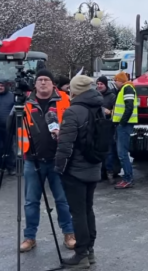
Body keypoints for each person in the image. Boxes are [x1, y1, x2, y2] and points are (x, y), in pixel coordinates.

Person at [16, 69, 76, 252]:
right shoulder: (24, 102)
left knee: (62, 200)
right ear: (35, 84)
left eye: (46, 80)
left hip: (57, 159)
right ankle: (29, 237)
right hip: (31, 159)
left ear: (53, 84)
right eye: (40, 80)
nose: (43, 83)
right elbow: (11, 125)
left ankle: (69, 233)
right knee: (31, 201)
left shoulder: (65, 99)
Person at [55, 75, 109, 268]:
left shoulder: (73, 111)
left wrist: (59, 168)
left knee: (77, 213)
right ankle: (90, 251)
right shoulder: (100, 109)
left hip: (75, 170)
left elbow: (65, 145)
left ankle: (81, 254)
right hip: (93, 166)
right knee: (87, 210)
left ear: (75, 90)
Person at [112, 72, 138, 189]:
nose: (115, 83)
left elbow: (129, 107)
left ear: (120, 80)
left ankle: (128, 179)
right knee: (122, 153)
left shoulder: (127, 88)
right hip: (123, 124)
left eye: (116, 80)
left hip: (124, 125)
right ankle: (128, 178)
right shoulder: (126, 89)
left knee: (122, 153)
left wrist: (122, 122)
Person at [97, 76, 119, 183]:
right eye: (98, 84)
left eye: (101, 84)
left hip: (108, 126)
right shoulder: (95, 95)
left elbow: (116, 110)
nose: (99, 86)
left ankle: (110, 172)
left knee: (109, 151)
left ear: (105, 85)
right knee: (98, 150)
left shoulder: (112, 96)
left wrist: (109, 112)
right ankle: (100, 173)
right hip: (97, 126)